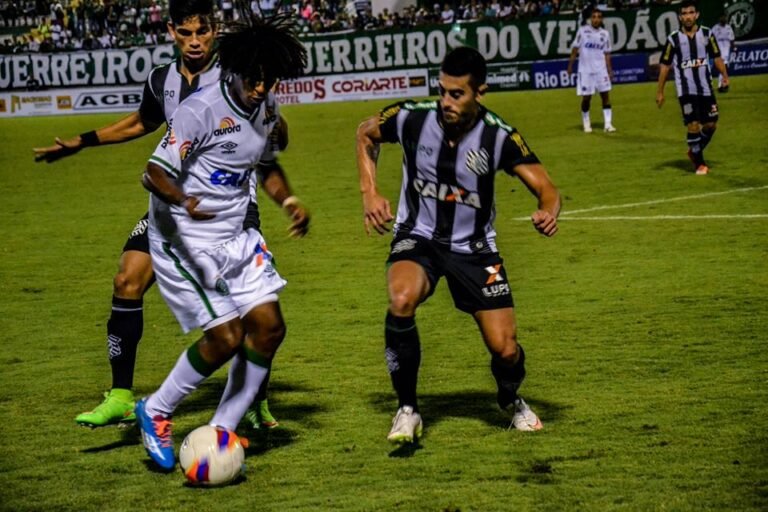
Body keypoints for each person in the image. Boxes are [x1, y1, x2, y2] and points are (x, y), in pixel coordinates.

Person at [32, 0, 305, 430]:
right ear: (172, 32)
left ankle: (252, 399)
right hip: (173, 204)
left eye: (202, 32)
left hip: (229, 210)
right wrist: (82, 141)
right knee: (127, 279)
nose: (194, 41)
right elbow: (141, 122)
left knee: (251, 312)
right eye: (185, 32)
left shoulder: (239, 70)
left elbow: (268, 132)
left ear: (215, 31)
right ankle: (122, 395)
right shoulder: (163, 80)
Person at [356, 46, 560, 445]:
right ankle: (408, 409)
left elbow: (547, 188)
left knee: (505, 349)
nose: (445, 102)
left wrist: (548, 211)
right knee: (400, 300)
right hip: (419, 237)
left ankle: (509, 396)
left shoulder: (499, 137)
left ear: (480, 92)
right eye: (442, 91)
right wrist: (370, 191)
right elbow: (365, 133)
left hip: (475, 249)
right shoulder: (412, 117)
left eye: (457, 94)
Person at [135, 6, 308, 471]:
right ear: (233, 70)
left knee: (270, 327)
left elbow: (266, 164)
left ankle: (221, 431)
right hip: (186, 239)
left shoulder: (265, 106)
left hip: (235, 233)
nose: (259, 89)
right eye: (253, 79)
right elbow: (153, 173)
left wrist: (288, 202)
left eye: (267, 81)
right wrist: (184, 200)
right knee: (228, 335)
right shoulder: (201, 110)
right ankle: (155, 410)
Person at [656, 0, 729, 176]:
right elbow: (665, 66)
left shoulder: (707, 34)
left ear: (696, 15)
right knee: (693, 124)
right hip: (686, 91)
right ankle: (699, 163)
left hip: (706, 89)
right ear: (680, 17)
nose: (688, 17)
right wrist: (660, 91)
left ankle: (694, 150)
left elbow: (717, 57)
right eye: (684, 13)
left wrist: (725, 77)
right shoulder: (673, 39)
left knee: (711, 125)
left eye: (691, 13)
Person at [567, 7, 616, 133]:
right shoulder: (582, 31)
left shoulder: (605, 34)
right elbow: (574, 50)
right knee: (586, 98)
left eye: (599, 17)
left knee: (605, 96)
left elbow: (607, 53)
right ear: (590, 19)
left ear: (601, 19)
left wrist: (610, 70)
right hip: (586, 71)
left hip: (601, 70)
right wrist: (570, 66)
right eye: (594, 17)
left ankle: (608, 124)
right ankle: (586, 122)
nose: (596, 19)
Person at [711, 14, 735, 93]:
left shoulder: (728, 28)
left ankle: (721, 85)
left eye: (725, 18)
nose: (724, 19)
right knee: (721, 68)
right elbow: (711, 38)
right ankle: (721, 85)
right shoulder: (715, 28)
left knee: (723, 68)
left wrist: (734, 47)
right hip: (718, 50)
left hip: (726, 50)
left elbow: (731, 38)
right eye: (722, 17)